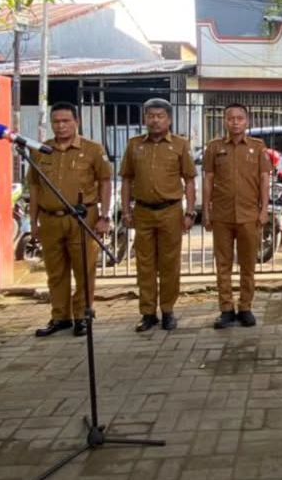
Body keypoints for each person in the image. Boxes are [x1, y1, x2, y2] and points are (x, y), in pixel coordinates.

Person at [28, 102, 113, 337]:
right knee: (55, 272)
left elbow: (105, 182)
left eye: (66, 121)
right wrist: (33, 222)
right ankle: (60, 317)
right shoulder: (41, 150)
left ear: (77, 122)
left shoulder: (93, 150)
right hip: (50, 219)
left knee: (84, 269)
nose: (61, 126)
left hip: (83, 218)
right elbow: (34, 187)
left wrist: (105, 216)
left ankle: (83, 315)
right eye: (56, 122)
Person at [120, 98, 196, 332]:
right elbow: (126, 179)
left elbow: (190, 180)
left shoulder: (180, 145)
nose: (154, 120)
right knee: (145, 265)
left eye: (159, 116)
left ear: (169, 119)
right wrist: (126, 209)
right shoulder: (134, 145)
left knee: (170, 264)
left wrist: (190, 211)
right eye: (150, 115)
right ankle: (147, 313)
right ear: (145, 119)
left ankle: (168, 311)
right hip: (142, 211)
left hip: (170, 212)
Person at [202, 103, 273, 328]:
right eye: (230, 118)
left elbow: (264, 180)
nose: (235, 122)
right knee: (223, 264)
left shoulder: (258, 147)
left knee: (248, 264)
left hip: (249, 214)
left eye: (239, 118)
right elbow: (208, 180)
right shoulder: (214, 147)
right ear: (225, 121)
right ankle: (225, 308)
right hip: (222, 215)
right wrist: (206, 210)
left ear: (247, 122)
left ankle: (245, 307)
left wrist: (264, 210)